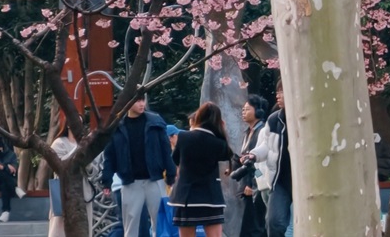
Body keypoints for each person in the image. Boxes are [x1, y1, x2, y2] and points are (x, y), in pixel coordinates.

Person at [102, 96, 176, 237]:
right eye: (137, 100)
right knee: (131, 224)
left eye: (143, 100)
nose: (142, 104)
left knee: (160, 222)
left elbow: (165, 149)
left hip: (154, 178)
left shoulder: (156, 122)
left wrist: (171, 173)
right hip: (130, 181)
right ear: (128, 103)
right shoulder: (117, 126)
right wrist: (107, 179)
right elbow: (110, 155)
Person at [169, 104, 234, 237]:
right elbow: (227, 154)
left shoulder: (183, 137)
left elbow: (175, 160)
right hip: (210, 195)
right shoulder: (218, 143)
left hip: (186, 195)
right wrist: (222, 131)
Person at [234, 97, 270, 237]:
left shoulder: (262, 131)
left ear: (258, 111)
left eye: (247, 109)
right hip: (247, 184)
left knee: (256, 226)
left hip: (256, 184)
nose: (243, 112)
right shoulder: (248, 132)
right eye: (243, 109)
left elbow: (260, 164)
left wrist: (253, 184)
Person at [256, 105, 290, 237]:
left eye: (281, 91)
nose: (278, 95)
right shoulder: (273, 120)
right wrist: (259, 180)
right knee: (273, 222)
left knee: (290, 226)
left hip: (301, 181)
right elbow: (258, 165)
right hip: (273, 181)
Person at [0, 134, 20, 222]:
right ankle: (15, 188)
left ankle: (5, 212)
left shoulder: (11, 155)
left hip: (6, 182)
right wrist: (6, 167)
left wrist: (1, 167)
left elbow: (13, 170)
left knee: (4, 186)